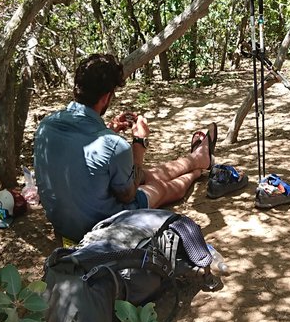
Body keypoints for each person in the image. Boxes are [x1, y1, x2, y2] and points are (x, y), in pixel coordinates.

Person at [34, 53, 216, 243]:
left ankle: (197, 159)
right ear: (106, 97)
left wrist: (108, 130)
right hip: (99, 228)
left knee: (147, 174)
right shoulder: (113, 145)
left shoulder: (45, 126)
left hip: (62, 223)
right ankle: (196, 171)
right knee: (159, 188)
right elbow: (128, 196)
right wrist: (139, 143)